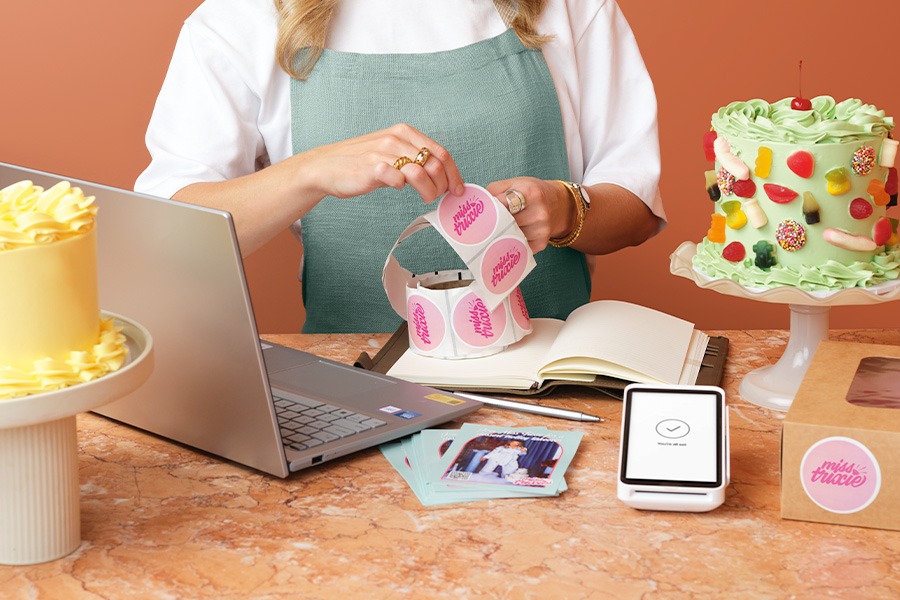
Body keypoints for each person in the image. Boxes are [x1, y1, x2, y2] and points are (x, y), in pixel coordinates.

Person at [136, 0, 666, 333]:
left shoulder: (571, 8)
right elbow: (167, 233)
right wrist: (308, 172)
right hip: (351, 380)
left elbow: (638, 211)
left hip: (550, 379)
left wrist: (566, 208)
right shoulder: (240, 18)